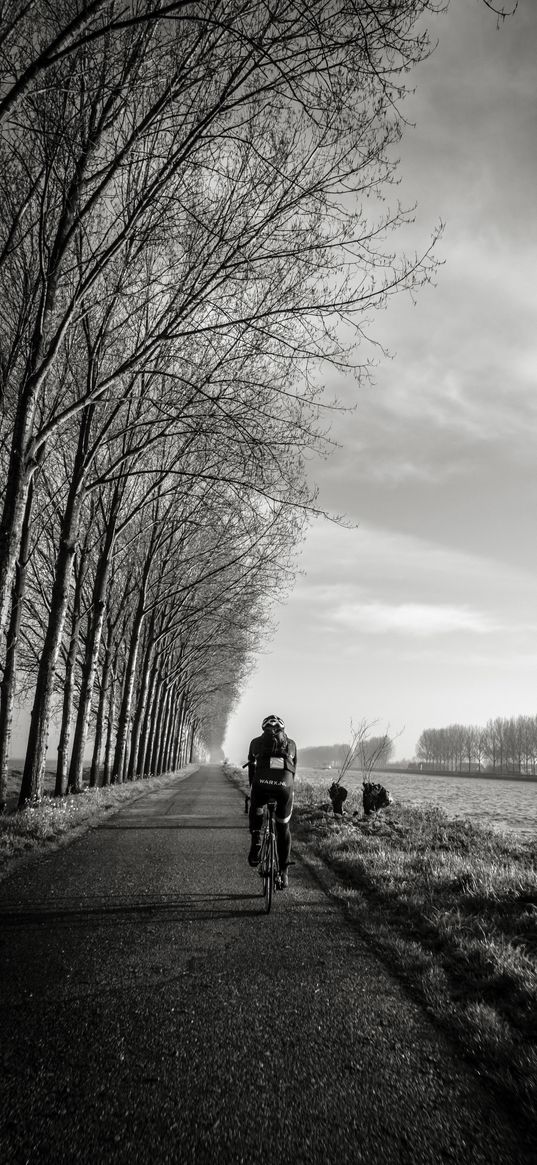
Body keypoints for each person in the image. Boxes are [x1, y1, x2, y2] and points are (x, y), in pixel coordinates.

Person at [247, 714, 297, 889]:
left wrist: (251, 789)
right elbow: (293, 772)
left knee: (257, 805)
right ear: (283, 729)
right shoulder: (291, 744)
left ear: (263, 729)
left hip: (261, 785)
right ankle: (283, 872)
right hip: (284, 787)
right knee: (283, 827)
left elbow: (251, 769)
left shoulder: (255, 742)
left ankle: (256, 840)